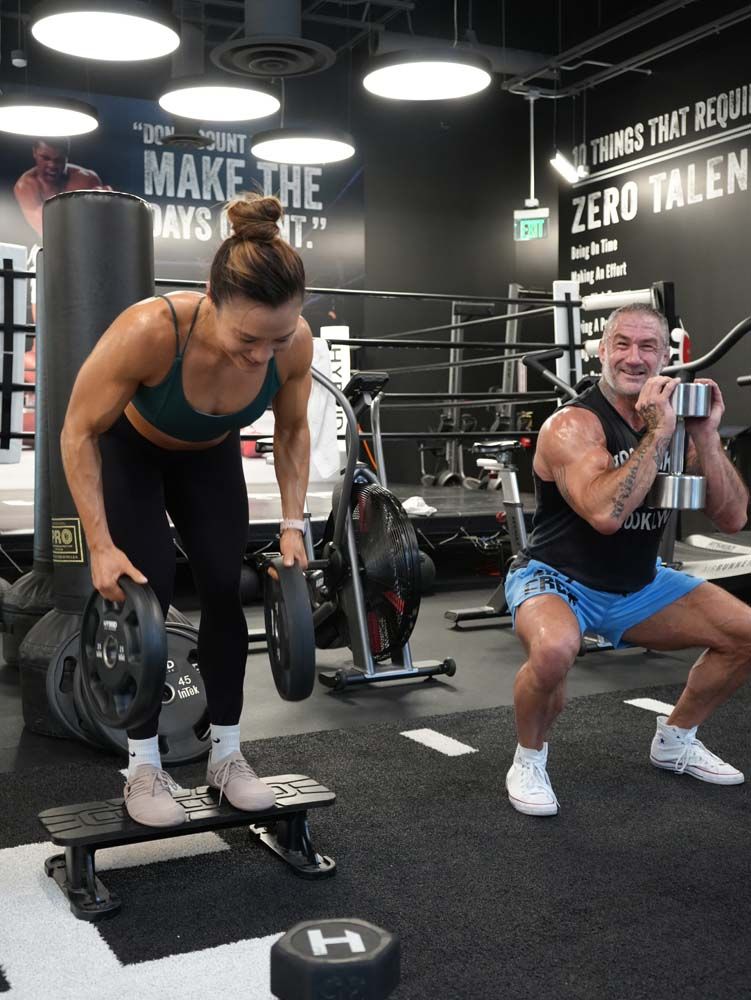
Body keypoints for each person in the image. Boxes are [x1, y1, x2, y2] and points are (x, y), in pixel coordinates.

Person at [61, 193, 313, 828]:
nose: (263, 354)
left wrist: (291, 521)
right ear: (211, 297)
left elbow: (289, 432)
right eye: (248, 338)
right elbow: (77, 432)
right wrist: (99, 542)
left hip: (210, 458)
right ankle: (142, 765)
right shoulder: (151, 331)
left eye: (277, 337)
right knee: (146, 590)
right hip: (131, 453)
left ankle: (226, 757)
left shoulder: (292, 344)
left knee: (227, 589)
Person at [503, 303, 751, 816]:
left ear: (666, 356)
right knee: (553, 653)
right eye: (623, 344)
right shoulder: (572, 425)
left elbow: (732, 518)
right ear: (602, 350)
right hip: (557, 579)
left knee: (745, 634)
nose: (634, 358)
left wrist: (704, 434)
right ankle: (529, 756)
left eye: (647, 347)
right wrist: (656, 434)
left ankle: (676, 739)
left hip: (639, 585)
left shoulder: (680, 422)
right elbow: (603, 514)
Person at [14, 137, 110, 237]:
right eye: (45, 158)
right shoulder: (26, 186)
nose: (52, 165)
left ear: (66, 157)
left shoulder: (86, 179)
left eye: (58, 160)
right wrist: (86, 208)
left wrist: (110, 205)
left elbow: (102, 226)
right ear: (34, 153)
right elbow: (47, 232)